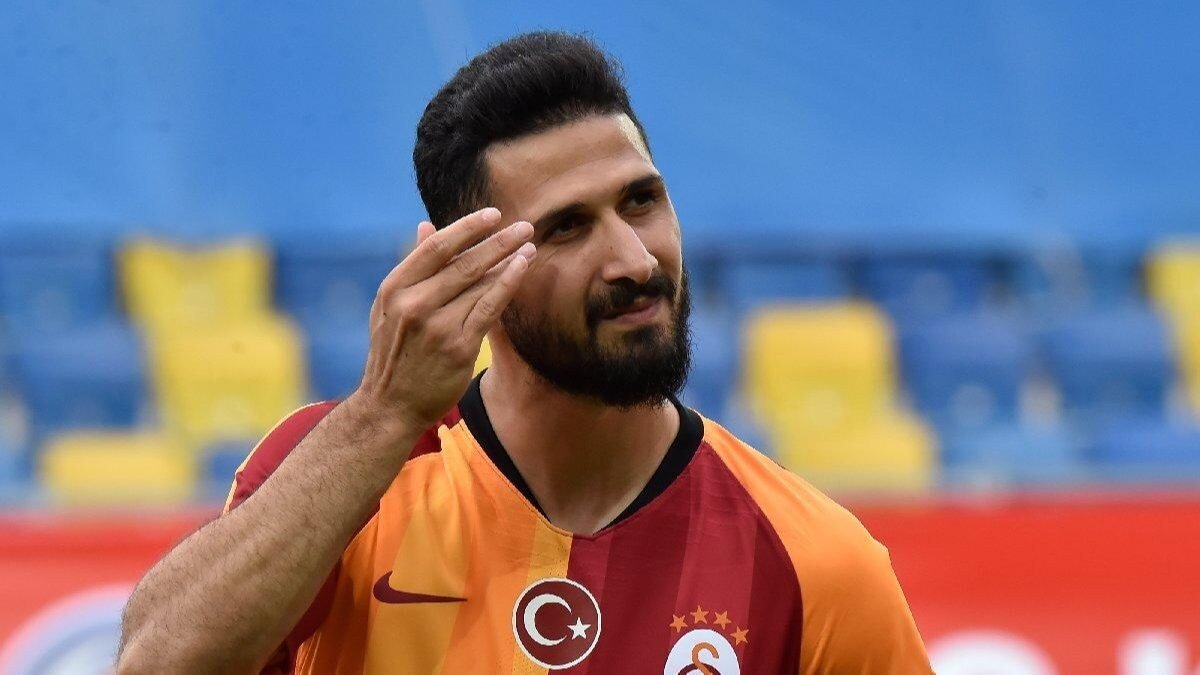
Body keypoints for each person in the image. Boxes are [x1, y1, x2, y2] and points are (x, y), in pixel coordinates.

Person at [117, 31, 931, 674]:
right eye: (567, 227)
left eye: (641, 201)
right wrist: (383, 415)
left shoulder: (817, 563)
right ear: (469, 268)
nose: (634, 259)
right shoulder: (343, 475)